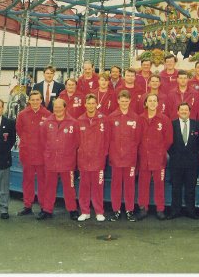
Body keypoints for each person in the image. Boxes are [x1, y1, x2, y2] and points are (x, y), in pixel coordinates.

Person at [38, 98, 80, 220]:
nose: (57, 109)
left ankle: (72, 210)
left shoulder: (73, 123)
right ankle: (47, 210)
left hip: (67, 161)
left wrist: (68, 153)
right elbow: (43, 140)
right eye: (55, 107)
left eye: (59, 106)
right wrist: (49, 153)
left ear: (65, 107)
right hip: (51, 160)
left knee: (69, 187)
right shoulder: (47, 122)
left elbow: (77, 142)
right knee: (49, 186)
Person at [136, 94, 173, 221]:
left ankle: (160, 209)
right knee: (143, 184)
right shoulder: (140, 118)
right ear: (146, 103)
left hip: (158, 157)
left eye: (154, 101)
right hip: (144, 157)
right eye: (150, 101)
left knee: (159, 184)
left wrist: (161, 151)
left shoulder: (164, 119)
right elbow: (136, 138)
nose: (152, 103)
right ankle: (143, 208)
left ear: (158, 103)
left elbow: (168, 139)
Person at [108, 90, 142, 222]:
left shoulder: (135, 118)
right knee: (116, 185)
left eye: (126, 100)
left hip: (130, 158)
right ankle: (116, 210)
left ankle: (129, 210)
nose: (124, 103)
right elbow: (108, 138)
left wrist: (131, 151)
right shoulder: (111, 117)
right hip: (116, 157)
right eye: (122, 100)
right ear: (118, 101)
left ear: (130, 101)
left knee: (129, 185)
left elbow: (137, 138)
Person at [16, 90, 51, 216]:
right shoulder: (22, 114)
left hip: (42, 154)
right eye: (33, 100)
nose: (35, 102)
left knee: (43, 181)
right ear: (29, 101)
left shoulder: (47, 114)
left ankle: (43, 206)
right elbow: (19, 131)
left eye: (37, 99)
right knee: (27, 180)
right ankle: (27, 206)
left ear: (41, 100)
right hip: (27, 153)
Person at [76, 94, 110, 222]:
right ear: (85, 105)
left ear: (96, 104)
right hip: (84, 159)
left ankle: (99, 211)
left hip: (98, 159)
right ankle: (85, 211)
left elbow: (107, 139)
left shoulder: (104, 119)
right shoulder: (80, 120)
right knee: (84, 186)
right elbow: (77, 141)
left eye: (93, 103)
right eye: (88, 103)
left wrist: (103, 154)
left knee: (98, 186)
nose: (91, 105)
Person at [167, 102, 199, 219]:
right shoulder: (171, 125)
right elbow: (169, 142)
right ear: (177, 112)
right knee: (176, 188)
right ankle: (174, 211)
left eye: (186, 110)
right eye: (181, 110)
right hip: (176, 161)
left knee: (190, 188)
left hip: (192, 162)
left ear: (189, 112)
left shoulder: (197, 125)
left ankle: (191, 211)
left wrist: (190, 152)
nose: (183, 112)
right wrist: (175, 154)